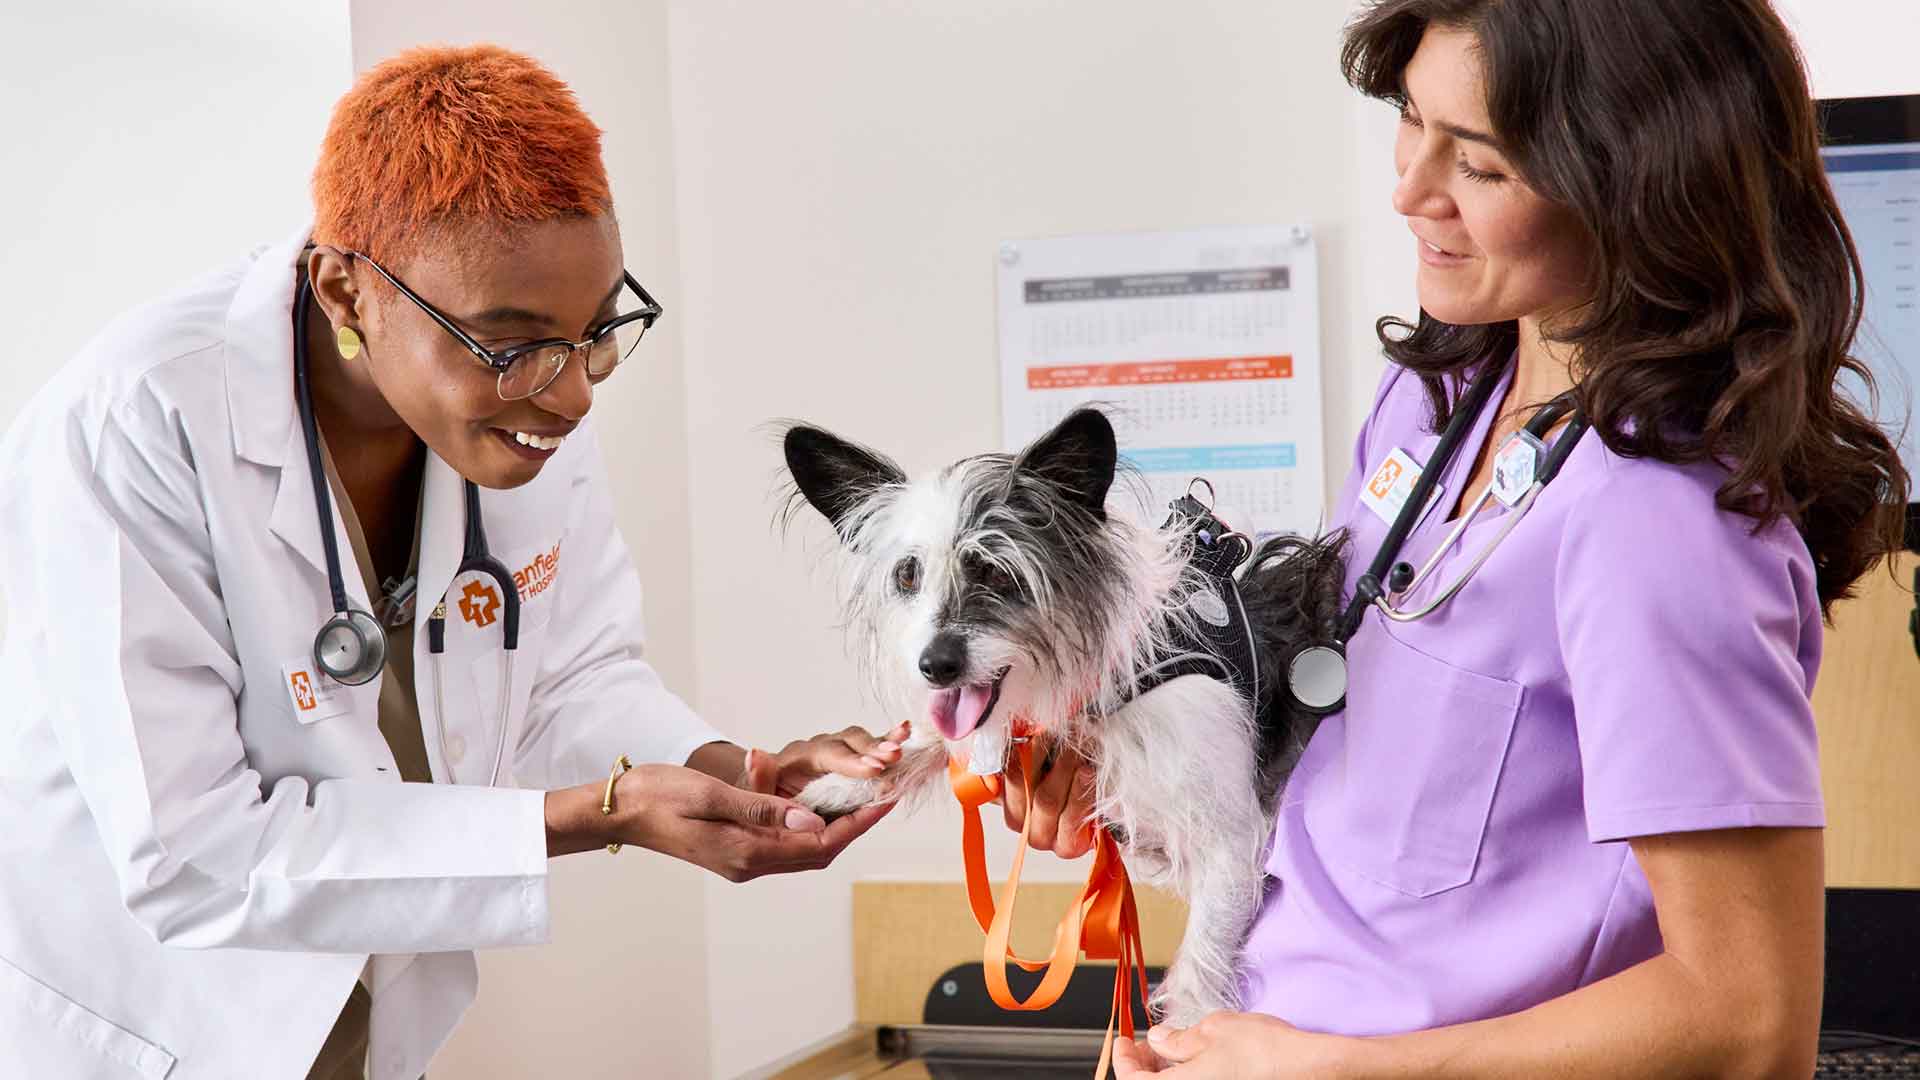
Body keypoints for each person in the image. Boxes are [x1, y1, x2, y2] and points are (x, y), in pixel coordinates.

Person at [1011, 1, 1911, 1076]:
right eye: (1410, 117)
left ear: (1636, 183)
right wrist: (1139, 778)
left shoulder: (1658, 532)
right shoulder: (1435, 400)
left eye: (1478, 164)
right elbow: (1375, 810)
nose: (1409, 189)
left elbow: (1749, 1023)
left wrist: (1330, 1071)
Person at [0, 45, 903, 1080]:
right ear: (346, 291)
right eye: (511, 344)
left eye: (597, 328)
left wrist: (732, 773)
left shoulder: (528, 400)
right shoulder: (138, 422)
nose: (572, 396)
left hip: (365, 1016)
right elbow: (193, 854)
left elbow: (568, 677)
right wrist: (596, 817)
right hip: (148, 1022)